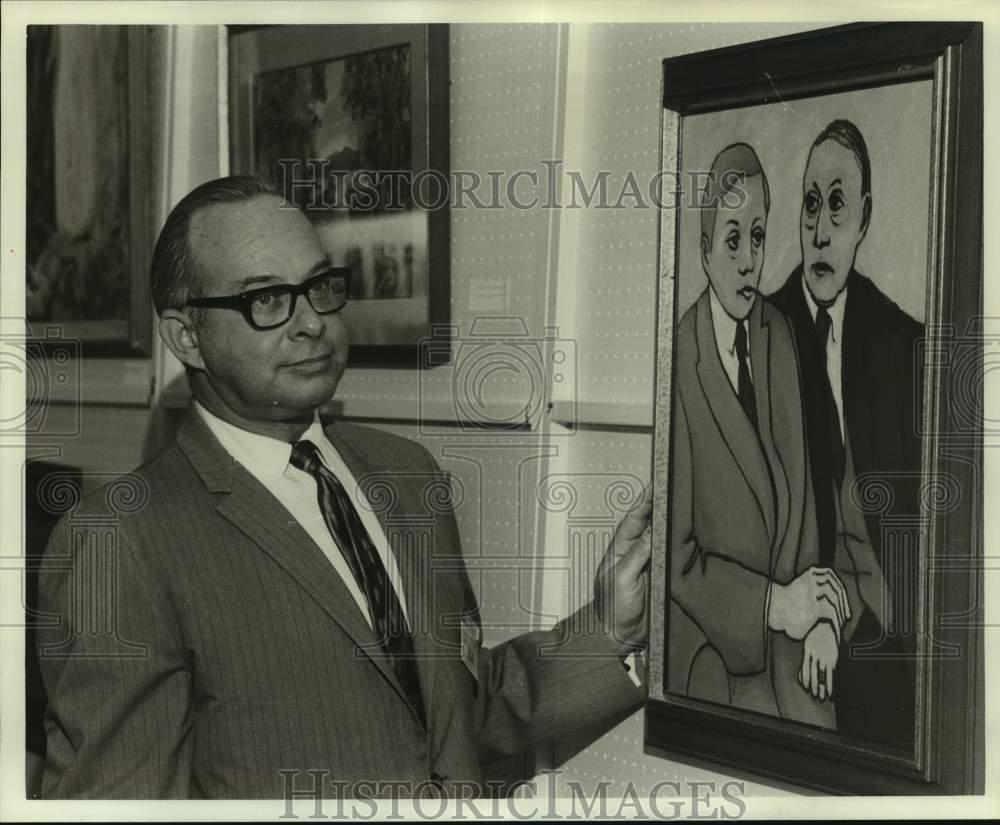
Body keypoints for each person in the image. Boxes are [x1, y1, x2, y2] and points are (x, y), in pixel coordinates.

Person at [36, 175, 652, 799]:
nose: (311, 323)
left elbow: (450, 721)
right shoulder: (120, 542)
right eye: (268, 300)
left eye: (319, 287)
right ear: (186, 337)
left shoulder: (408, 475)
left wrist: (608, 632)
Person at [667, 143, 885, 728]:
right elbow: (676, 558)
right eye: (732, 239)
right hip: (717, 662)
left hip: (794, 653)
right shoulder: (679, 363)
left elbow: (822, 506)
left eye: (758, 237)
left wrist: (822, 616)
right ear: (705, 247)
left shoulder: (779, 336)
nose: (748, 261)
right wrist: (775, 605)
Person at [769, 119, 923, 751]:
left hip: (899, 629)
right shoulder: (765, 334)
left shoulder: (902, 341)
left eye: (837, 205)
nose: (821, 229)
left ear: (864, 218)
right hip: (807, 632)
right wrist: (826, 615)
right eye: (810, 205)